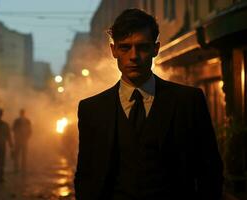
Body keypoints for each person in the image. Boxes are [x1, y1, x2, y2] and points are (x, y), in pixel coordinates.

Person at [74, 8, 223, 200]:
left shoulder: (188, 101)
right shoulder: (92, 109)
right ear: (114, 50)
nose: (134, 56)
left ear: (156, 49)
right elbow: (86, 174)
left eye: (142, 47)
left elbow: (209, 169)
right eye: (125, 47)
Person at [13, 108, 32, 173]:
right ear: (24, 113)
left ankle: (16, 168)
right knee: (24, 155)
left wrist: (16, 137)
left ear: (20, 113)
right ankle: (23, 168)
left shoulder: (17, 121)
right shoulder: (27, 121)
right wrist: (27, 138)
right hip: (24, 141)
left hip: (18, 140)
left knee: (17, 155)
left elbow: (13, 129)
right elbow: (30, 131)